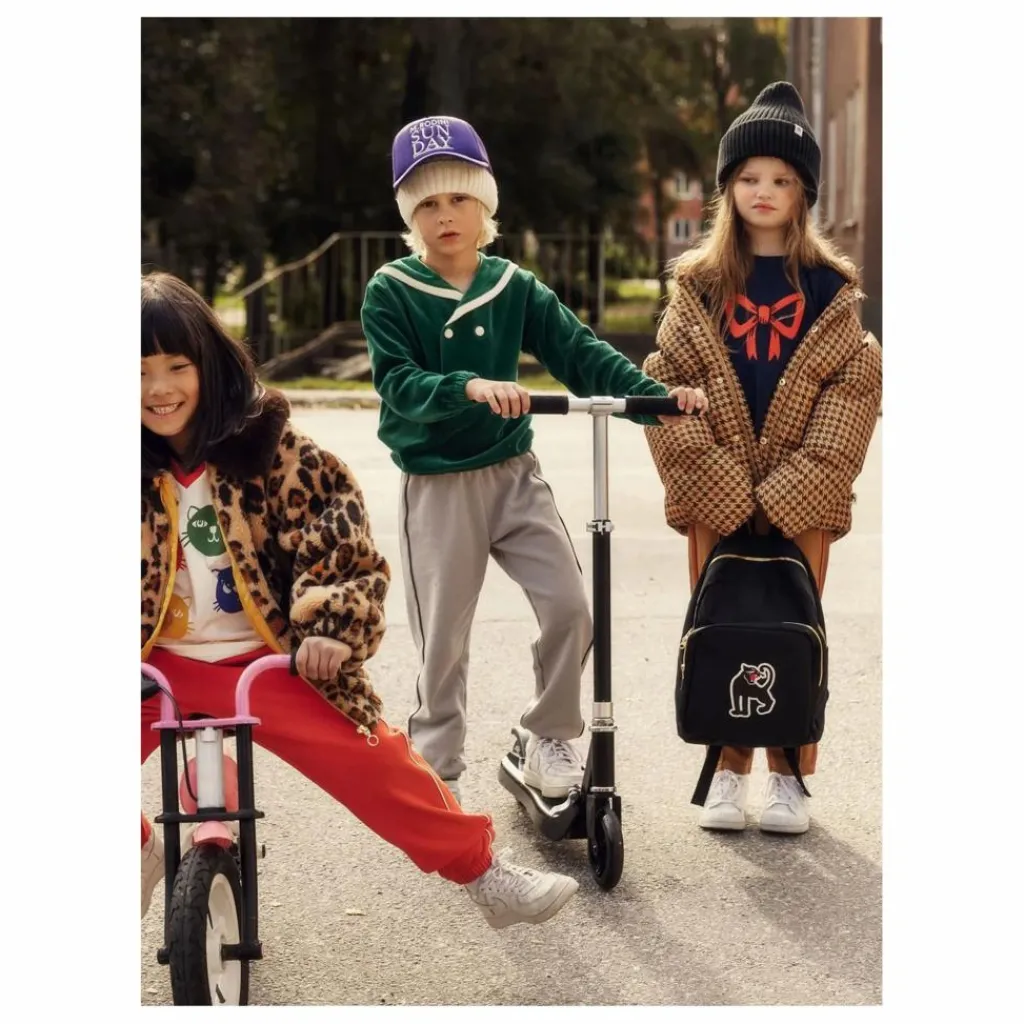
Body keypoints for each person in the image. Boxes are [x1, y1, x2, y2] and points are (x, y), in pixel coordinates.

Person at [140, 271, 581, 929]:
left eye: (177, 367)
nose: (159, 389)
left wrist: (330, 623)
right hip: (152, 666)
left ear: (210, 363)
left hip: (263, 659)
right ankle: (142, 849)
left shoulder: (266, 448)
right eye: (138, 372)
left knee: (375, 761)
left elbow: (335, 530)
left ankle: (483, 872)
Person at [360, 115, 706, 805]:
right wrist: (466, 386)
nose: (445, 215)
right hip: (439, 485)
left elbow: (581, 354)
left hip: (514, 476)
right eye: (427, 203)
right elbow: (397, 382)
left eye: (459, 197)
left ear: (484, 205)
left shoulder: (514, 286)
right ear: (410, 216)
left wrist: (654, 399)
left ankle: (546, 733)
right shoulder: (391, 291)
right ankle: (437, 769)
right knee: (443, 640)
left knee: (572, 607)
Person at [640, 83, 882, 834]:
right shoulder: (699, 287)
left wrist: (791, 489)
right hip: (717, 490)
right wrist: (716, 480)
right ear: (727, 188)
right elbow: (667, 380)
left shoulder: (830, 290)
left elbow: (853, 390)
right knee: (719, 620)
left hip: (800, 495)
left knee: (791, 623)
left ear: (804, 190)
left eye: (781, 178)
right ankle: (726, 766)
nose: (764, 191)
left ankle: (788, 774)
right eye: (748, 177)